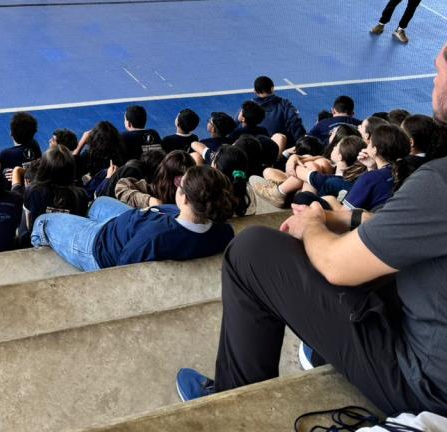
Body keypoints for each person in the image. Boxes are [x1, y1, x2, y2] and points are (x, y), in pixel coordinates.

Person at [176, 40, 447, 417]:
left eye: (441, 68)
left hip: (425, 385)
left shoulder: (440, 183)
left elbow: (336, 264)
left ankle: (233, 404)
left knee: (251, 251)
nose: (436, 72)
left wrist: (315, 223)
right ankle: (322, 349)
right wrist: (351, 218)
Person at [32, 165, 234, 271]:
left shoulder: (155, 237)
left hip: (100, 245)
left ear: (185, 199)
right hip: (129, 224)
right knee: (100, 202)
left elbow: (122, 268)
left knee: (43, 221)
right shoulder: (223, 231)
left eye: (180, 185)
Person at [250, 76, 306, 143]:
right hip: (282, 148)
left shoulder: (247, 107)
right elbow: (295, 124)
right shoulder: (285, 105)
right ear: (272, 89)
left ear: (255, 92)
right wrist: (302, 143)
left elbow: (237, 125)